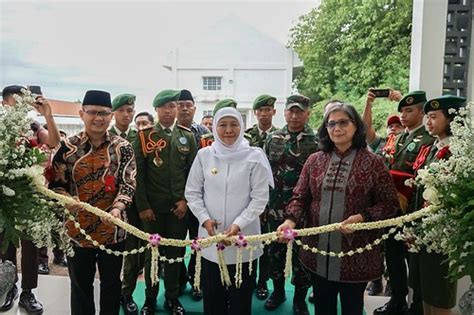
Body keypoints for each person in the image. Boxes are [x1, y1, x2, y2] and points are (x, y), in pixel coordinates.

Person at [278, 102, 399, 315]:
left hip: (356, 254)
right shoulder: (314, 160)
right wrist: (290, 221)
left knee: (352, 308)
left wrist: (362, 217)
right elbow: (300, 197)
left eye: (343, 122)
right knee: (323, 307)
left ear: (356, 126)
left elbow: (390, 205)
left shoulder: (374, 162)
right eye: (331, 124)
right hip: (318, 252)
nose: (337, 128)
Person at [49, 90, 136, 315]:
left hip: (113, 229)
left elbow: (129, 183)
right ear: (82, 114)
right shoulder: (67, 148)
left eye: (104, 113)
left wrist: (118, 207)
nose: (98, 118)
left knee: (111, 284)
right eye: (93, 112)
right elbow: (57, 186)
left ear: (111, 116)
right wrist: (67, 201)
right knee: (80, 286)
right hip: (77, 230)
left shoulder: (123, 147)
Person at [185, 107, 273, 315]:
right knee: (213, 297)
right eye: (222, 125)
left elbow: (260, 198)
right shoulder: (204, 155)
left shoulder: (254, 156)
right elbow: (192, 193)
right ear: (214, 127)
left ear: (241, 127)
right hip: (211, 238)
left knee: (241, 298)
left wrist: (238, 224)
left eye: (234, 124)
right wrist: (205, 220)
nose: (228, 130)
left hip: (244, 238)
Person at [0, 84, 62, 314]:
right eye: (17, 100)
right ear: (5, 102)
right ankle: (8, 288)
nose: (24, 105)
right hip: (4, 193)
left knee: (31, 245)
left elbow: (53, 142)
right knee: (4, 246)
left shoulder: (33, 126)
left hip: (29, 193)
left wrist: (48, 115)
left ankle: (28, 292)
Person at [134, 89, 197, 315]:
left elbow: (194, 173)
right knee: (152, 256)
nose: (170, 111)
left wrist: (186, 201)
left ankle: (172, 297)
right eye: (165, 107)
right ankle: (150, 299)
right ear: (157, 110)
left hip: (178, 210)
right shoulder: (144, 136)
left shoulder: (187, 136)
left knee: (175, 255)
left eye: (173, 106)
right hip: (153, 210)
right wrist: (143, 206)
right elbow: (138, 176)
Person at [374, 91, 435, 315]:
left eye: (409, 110)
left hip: (415, 210)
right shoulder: (399, 138)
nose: (403, 115)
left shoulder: (429, 141)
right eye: (401, 111)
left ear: (422, 111)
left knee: (415, 260)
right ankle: (397, 299)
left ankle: (417, 305)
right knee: (393, 256)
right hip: (393, 210)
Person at [410, 95, 465, 315]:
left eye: (434, 117)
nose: (428, 122)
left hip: (442, 233)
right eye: (427, 117)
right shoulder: (433, 147)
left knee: (439, 294)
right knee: (425, 289)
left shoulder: (459, 150)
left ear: (451, 118)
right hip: (424, 230)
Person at [264, 94, 318, 315]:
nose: (295, 115)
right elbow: (264, 171)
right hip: (276, 206)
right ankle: (277, 292)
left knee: (302, 255)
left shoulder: (316, 140)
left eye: (299, 111)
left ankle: (299, 299)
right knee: (274, 252)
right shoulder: (273, 137)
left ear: (307, 113)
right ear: (285, 112)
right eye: (291, 111)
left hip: (304, 208)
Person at [109, 93, 144, 315]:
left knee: (133, 255)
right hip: (109, 206)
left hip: (135, 206)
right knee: (110, 256)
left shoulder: (140, 137)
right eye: (122, 110)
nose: (126, 114)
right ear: (114, 113)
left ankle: (126, 294)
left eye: (130, 110)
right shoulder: (104, 135)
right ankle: (110, 295)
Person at [176, 89, 211, 301]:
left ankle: (196, 281)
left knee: (199, 243)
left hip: (201, 200)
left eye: (188, 104)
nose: (185, 108)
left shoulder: (205, 133)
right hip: (177, 201)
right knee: (176, 244)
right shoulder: (168, 133)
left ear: (194, 108)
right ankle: (178, 281)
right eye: (180, 105)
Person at [243, 94, 278, 300]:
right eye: (260, 110)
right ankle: (248, 278)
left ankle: (263, 281)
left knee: (266, 242)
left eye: (268, 110)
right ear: (255, 113)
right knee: (250, 240)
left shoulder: (280, 136)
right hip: (248, 199)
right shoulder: (246, 137)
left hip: (273, 199)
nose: (264, 114)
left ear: (274, 112)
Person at [363, 89, 404, 158]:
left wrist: (401, 100)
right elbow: (366, 127)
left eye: (398, 126)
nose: (393, 128)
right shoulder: (379, 142)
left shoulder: (407, 143)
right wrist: (368, 103)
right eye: (390, 127)